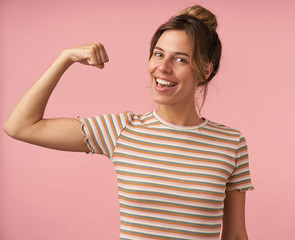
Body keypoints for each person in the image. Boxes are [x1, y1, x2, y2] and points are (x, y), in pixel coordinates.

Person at [3, 4, 253, 240]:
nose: (162, 67)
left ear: (205, 71)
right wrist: (65, 58)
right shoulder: (121, 130)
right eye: (158, 54)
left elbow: (235, 236)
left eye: (180, 59)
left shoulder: (231, 143)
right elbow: (20, 126)